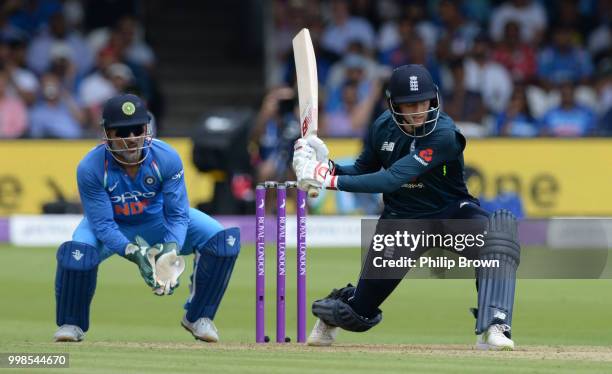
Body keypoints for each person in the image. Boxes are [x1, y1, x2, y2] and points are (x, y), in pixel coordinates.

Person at [292, 65, 520, 350]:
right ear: (393, 104)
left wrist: (329, 179)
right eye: (409, 104)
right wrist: (323, 166)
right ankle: (332, 312)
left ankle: (495, 325)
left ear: (433, 99)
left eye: (423, 102)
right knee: (358, 313)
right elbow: (363, 169)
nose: (418, 110)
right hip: (402, 222)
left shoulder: (445, 134)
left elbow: (391, 179)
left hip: (450, 213)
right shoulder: (382, 127)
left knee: (499, 235)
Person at [53, 94, 240, 343]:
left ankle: (199, 317)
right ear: (107, 133)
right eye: (121, 132)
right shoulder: (90, 167)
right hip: (113, 227)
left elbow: (177, 214)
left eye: (136, 130)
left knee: (222, 241)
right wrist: (133, 251)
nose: (130, 139)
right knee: (77, 256)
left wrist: (171, 249)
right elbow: (102, 224)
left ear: (146, 129)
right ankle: (71, 324)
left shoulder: (166, 158)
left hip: (158, 220)